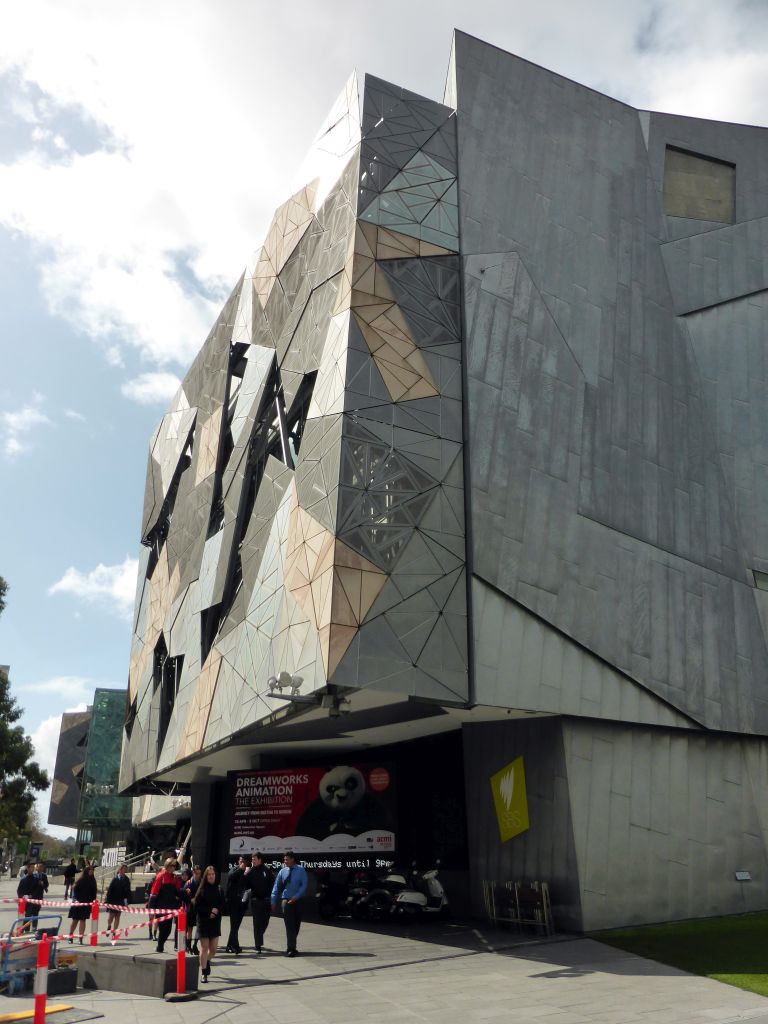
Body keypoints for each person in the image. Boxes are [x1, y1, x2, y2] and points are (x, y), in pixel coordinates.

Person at [271, 851, 308, 957]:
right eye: (284, 859)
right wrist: (273, 901)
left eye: (287, 859)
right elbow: (276, 887)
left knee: (296, 925)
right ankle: (290, 948)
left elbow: (304, 885)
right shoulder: (282, 871)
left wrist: (296, 897)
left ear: (292, 859)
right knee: (290, 926)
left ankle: (292, 945)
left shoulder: (301, 870)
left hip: (298, 901)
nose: (285, 861)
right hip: (286, 901)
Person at [193, 865, 224, 982]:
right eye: (209, 875)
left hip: (215, 921)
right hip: (204, 921)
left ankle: (206, 960)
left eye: (213, 874)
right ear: (206, 876)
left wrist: (216, 911)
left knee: (214, 950)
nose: (211, 876)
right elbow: (197, 906)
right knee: (204, 948)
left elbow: (222, 904)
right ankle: (204, 972)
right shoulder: (201, 890)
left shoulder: (219, 888)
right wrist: (209, 911)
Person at [148, 858, 182, 953]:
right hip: (160, 908)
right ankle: (160, 946)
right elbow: (153, 893)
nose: (174, 868)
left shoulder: (175, 878)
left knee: (168, 930)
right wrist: (151, 909)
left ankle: (160, 945)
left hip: (170, 908)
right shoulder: (160, 876)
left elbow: (178, 892)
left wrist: (185, 894)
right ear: (167, 866)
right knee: (163, 929)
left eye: (175, 866)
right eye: (172, 865)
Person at [247, 852, 273, 953]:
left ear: (260, 859)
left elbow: (272, 882)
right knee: (257, 923)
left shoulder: (266, 870)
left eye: (254, 859)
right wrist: (245, 874)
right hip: (255, 901)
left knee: (265, 922)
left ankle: (259, 936)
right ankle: (258, 945)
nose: (252, 861)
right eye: (252, 859)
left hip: (266, 901)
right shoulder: (251, 871)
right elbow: (246, 884)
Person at [224, 855, 250, 954]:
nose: (242, 863)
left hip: (243, 902)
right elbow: (231, 876)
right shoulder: (235, 869)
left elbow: (249, 885)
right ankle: (232, 946)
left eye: (243, 861)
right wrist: (240, 869)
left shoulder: (248, 871)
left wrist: (247, 874)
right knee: (234, 925)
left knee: (236, 926)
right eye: (240, 861)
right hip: (233, 902)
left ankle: (233, 945)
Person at [68, 865, 97, 943]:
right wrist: (75, 899)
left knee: (83, 920)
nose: (91, 871)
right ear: (86, 871)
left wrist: (93, 903)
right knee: (75, 920)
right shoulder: (81, 880)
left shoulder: (93, 881)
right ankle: (70, 936)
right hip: (78, 903)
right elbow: (74, 889)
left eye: (92, 870)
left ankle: (81, 938)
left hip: (86, 904)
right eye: (90, 870)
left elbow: (94, 893)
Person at [106, 863, 132, 937]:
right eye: (123, 869)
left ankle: (114, 931)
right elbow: (110, 890)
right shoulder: (115, 878)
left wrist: (127, 901)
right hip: (113, 900)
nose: (124, 870)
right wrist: (107, 901)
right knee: (111, 917)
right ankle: (109, 926)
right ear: (120, 869)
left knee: (117, 916)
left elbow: (128, 891)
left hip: (121, 900)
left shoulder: (126, 879)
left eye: (125, 869)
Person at [182, 866, 203, 955]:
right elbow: (183, 895)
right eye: (196, 873)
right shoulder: (189, 883)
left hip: (199, 908)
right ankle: (188, 946)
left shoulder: (202, 882)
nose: (198, 875)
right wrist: (189, 899)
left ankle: (194, 945)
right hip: (190, 909)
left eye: (199, 873)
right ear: (193, 873)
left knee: (199, 928)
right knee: (189, 929)